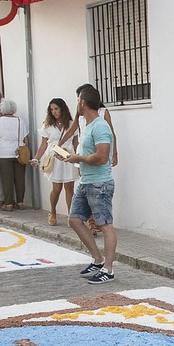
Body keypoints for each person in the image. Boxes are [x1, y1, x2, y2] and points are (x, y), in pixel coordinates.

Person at [67, 84, 118, 284]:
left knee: (105, 225)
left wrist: (77, 158)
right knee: (74, 220)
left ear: (82, 102)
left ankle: (109, 269)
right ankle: (98, 259)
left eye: (77, 100)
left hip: (100, 183)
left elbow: (102, 157)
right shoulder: (86, 126)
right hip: (86, 181)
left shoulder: (100, 126)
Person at [36, 97, 77, 223]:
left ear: (62, 109)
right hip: (55, 158)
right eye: (52, 109)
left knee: (69, 187)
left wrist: (78, 160)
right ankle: (52, 211)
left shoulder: (71, 124)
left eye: (56, 109)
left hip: (68, 156)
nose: (54, 112)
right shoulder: (47, 125)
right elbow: (43, 144)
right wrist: (36, 158)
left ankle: (71, 215)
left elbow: (76, 143)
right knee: (57, 188)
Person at [0, 99, 26, 211]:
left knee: (7, 180)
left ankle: (8, 203)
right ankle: (20, 202)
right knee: (20, 179)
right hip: (19, 153)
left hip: (4, 154)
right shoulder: (21, 121)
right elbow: (26, 139)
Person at [75, 82, 118, 168]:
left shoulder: (101, 118)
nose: (78, 103)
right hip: (83, 149)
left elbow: (111, 134)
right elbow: (74, 131)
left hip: (96, 149)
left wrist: (114, 153)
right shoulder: (80, 115)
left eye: (79, 100)